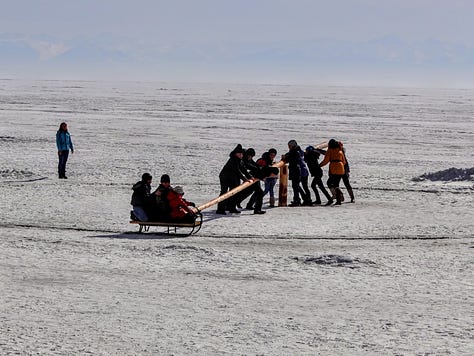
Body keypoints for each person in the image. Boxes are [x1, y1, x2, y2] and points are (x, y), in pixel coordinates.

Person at [216, 144, 252, 215]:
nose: (240, 155)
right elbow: (237, 171)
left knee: (235, 192)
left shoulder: (240, 161)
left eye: (241, 153)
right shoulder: (232, 160)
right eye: (239, 153)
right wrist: (244, 179)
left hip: (233, 177)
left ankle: (231, 207)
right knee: (224, 192)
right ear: (235, 153)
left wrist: (250, 177)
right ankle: (220, 209)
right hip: (225, 177)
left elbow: (243, 169)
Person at [282, 140, 312, 206]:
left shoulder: (295, 152)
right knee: (299, 186)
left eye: (289, 146)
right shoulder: (298, 151)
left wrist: (285, 157)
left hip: (298, 171)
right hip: (302, 170)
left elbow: (291, 158)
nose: (289, 147)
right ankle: (306, 199)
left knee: (296, 186)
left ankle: (300, 200)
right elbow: (290, 155)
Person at [238, 148, 266, 214]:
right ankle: (257, 209)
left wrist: (260, 167)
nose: (250, 157)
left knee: (249, 191)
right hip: (250, 178)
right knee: (259, 192)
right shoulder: (244, 159)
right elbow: (248, 166)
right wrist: (258, 168)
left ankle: (239, 202)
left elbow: (254, 164)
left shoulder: (249, 158)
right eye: (250, 156)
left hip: (253, 178)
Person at [319, 139, 347, 205]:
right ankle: (338, 199)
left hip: (334, 168)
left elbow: (325, 161)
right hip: (341, 168)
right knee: (336, 184)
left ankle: (336, 195)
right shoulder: (340, 150)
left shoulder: (330, 151)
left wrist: (319, 165)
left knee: (329, 183)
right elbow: (344, 162)